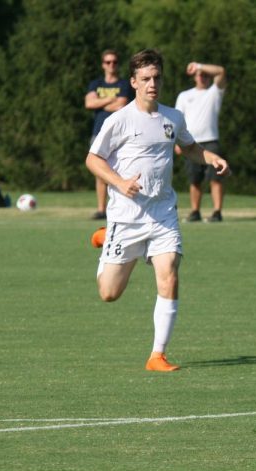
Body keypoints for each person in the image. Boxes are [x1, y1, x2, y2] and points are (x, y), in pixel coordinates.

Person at [86, 49, 229, 371]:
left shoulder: (173, 117)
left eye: (157, 78)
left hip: (163, 214)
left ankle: (157, 355)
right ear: (134, 82)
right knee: (109, 293)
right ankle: (106, 236)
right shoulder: (119, 119)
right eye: (146, 79)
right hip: (126, 216)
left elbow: (189, 147)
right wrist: (120, 182)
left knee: (169, 275)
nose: (153, 84)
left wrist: (211, 158)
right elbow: (93, 159)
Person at [174, 60, 228, 222]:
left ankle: (217, 212)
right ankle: (195, 211)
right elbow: (177, 119)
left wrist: (198, 66)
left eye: (205, 75)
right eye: (200, 75)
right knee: (194, 179)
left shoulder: (214, 92)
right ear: (194, 78)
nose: (203, 77)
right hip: (191, 143)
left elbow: (220, 71)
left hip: (211, 141)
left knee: (215, 178)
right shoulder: (184, 95)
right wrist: (177, 141)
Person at [85, 49, 132, 221]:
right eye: (108, 62)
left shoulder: (124, 84)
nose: (111, 65)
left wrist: (100, 102)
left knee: (122, 169)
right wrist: (110, 101)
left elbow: (121, 105)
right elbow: (89, 103)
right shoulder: (95, 83)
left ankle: (122, 207)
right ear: (103, 64)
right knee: (100, 171)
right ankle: (101, 209)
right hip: (99, 132)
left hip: (120, 134)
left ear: (118, 64)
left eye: (114, 62)